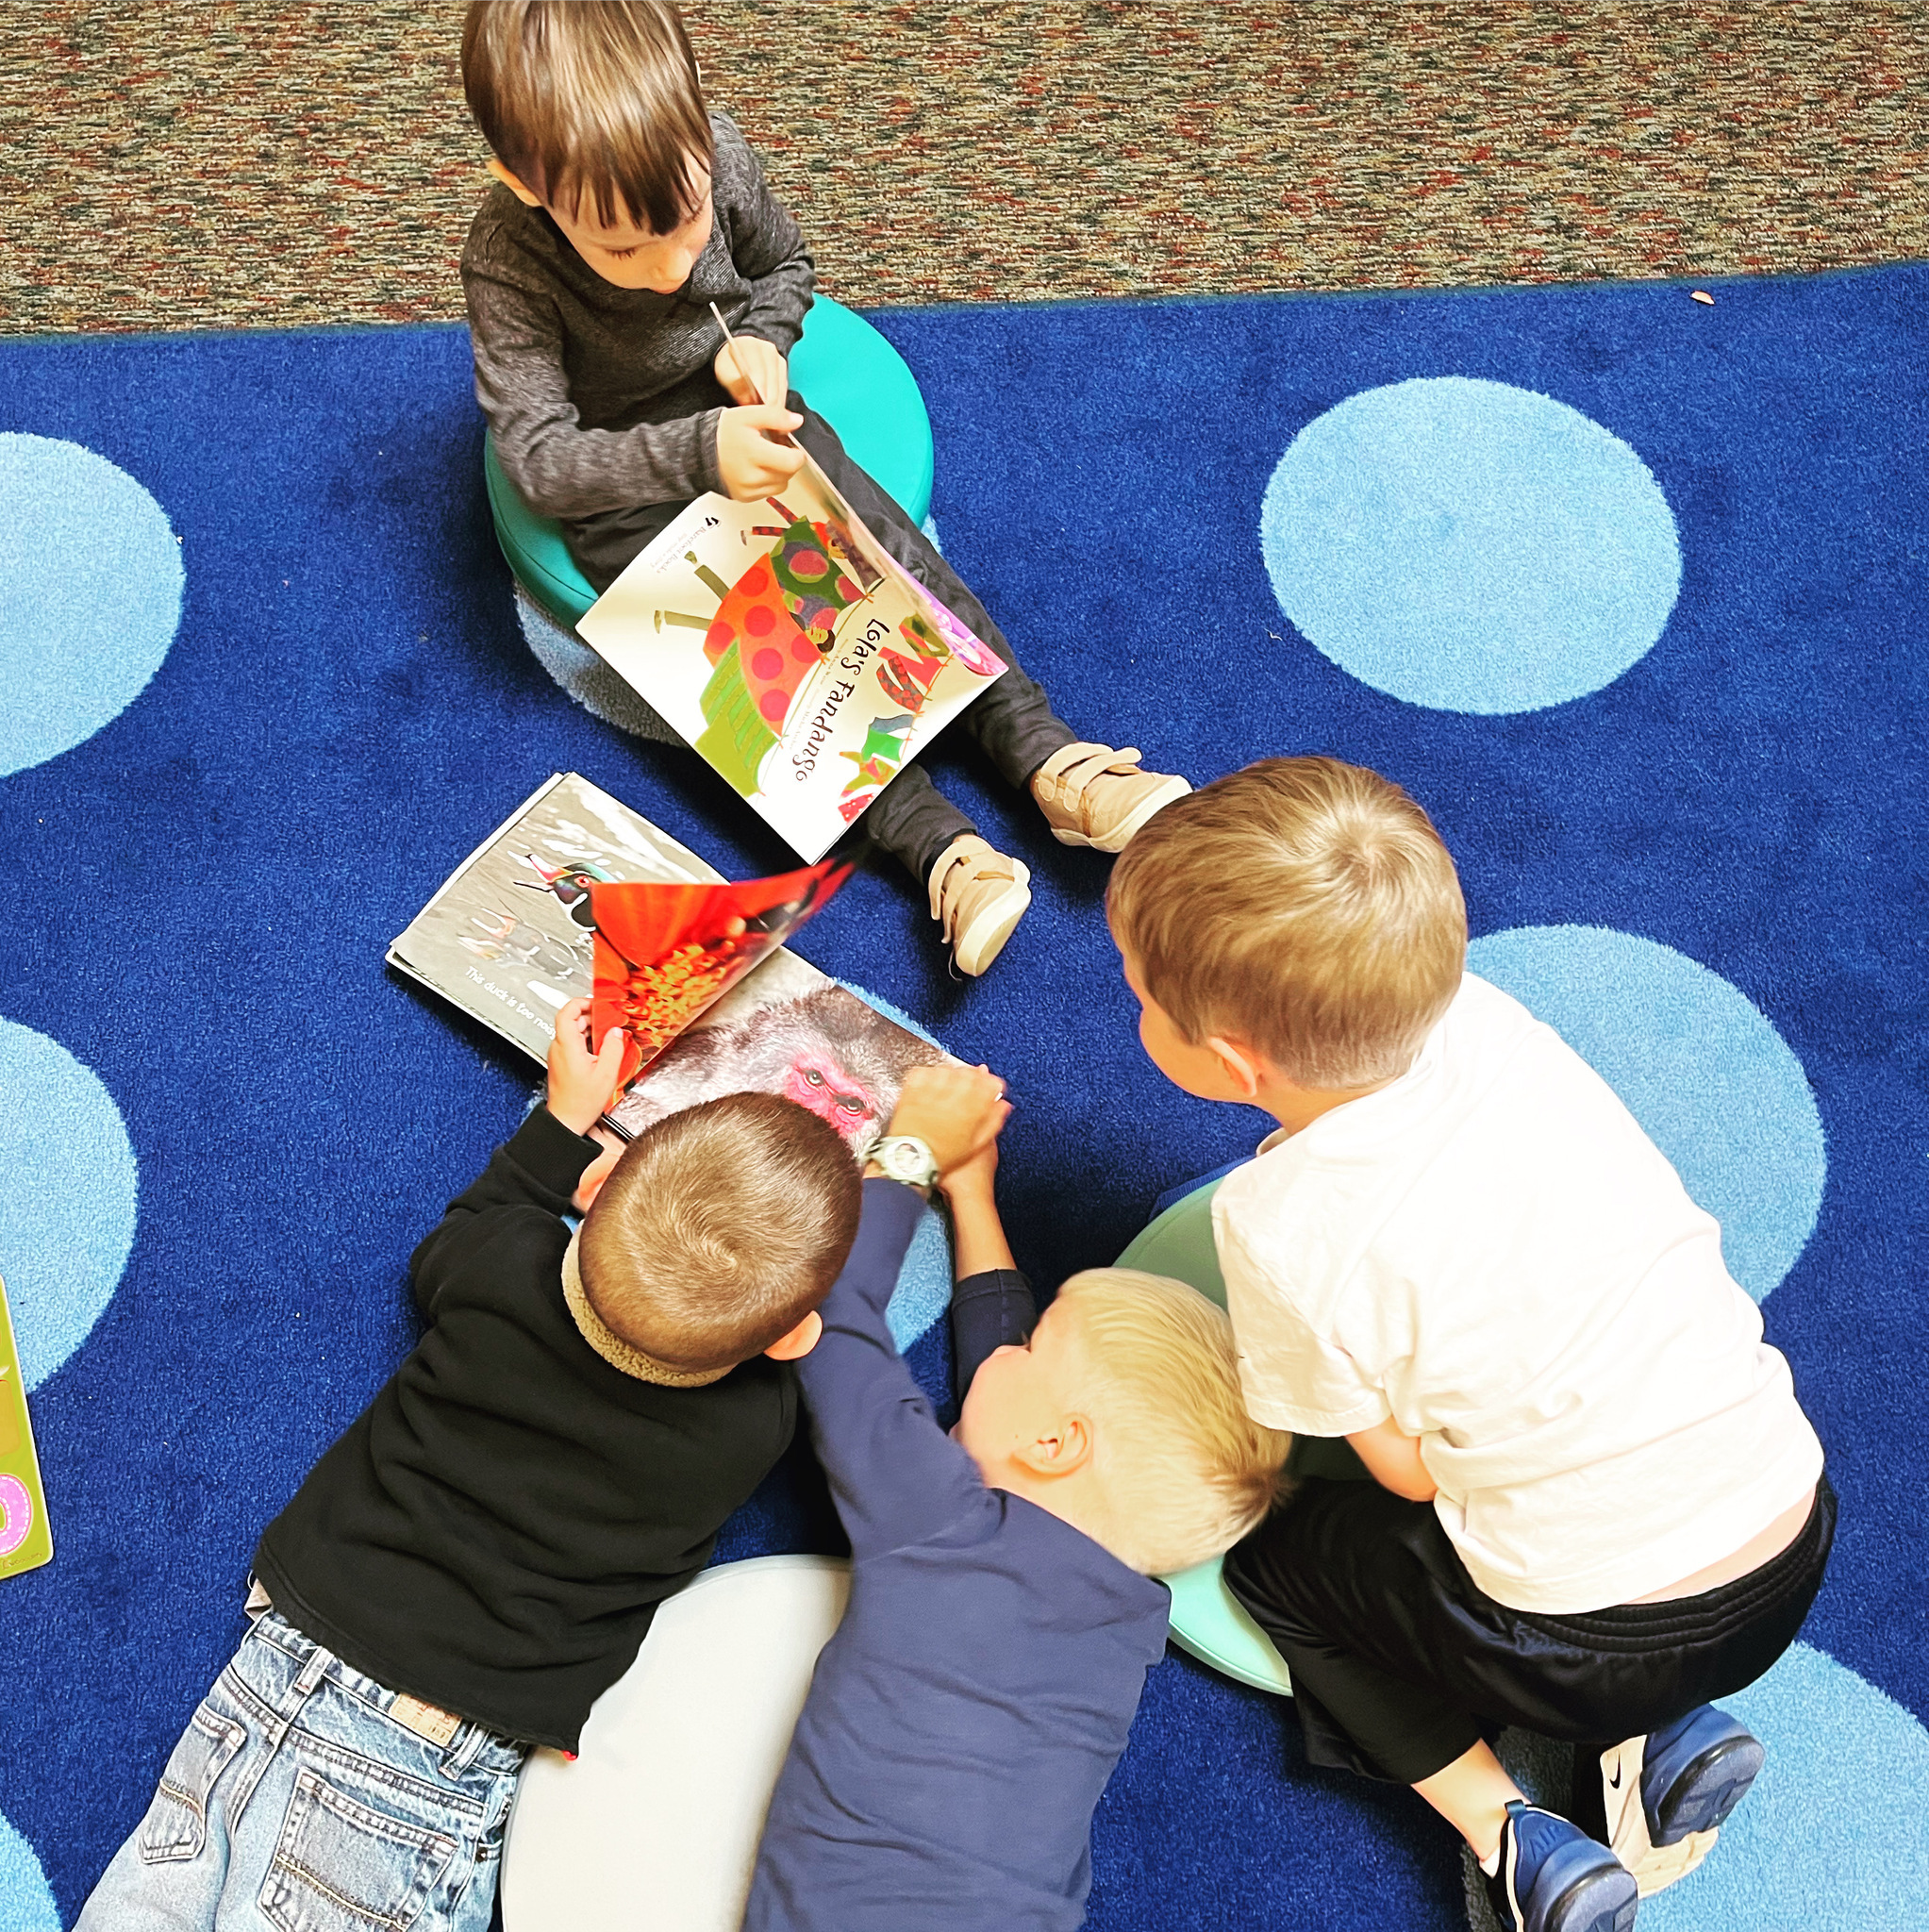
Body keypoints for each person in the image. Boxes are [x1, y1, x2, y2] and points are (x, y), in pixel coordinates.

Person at [1106, 757, 1832, 1932]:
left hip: (1586, 1638)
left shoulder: (1276, 1228)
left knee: (1284, 1562)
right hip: (1787, 1529)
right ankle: (1663, 1729)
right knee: (1588, 1470)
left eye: (1141, 997)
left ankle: (1512, 1837)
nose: (1134, 1012)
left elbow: (1404, 1474)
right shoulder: (1494, 1022)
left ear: (1234, 1063)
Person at [75, 998, 860, 1932]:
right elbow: (827, 1370)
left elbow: (475, 1219)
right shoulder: (749, 1425)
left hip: (288, 1647)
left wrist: (561, 1122)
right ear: (790, 1337)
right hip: (431, 1741)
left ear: (600, 1191)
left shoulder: (500, 1262)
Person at [457, 0, 1189, 975]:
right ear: (524, 184)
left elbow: (785, 267)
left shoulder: (714, 151)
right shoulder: (505, 260)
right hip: (625, 486)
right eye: (623, 249)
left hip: (751, 413)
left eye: (685, 221)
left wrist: (765, 338)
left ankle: (1043, 753)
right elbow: (541, 461)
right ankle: (939, 849)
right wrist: (700, 452)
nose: (673, 269)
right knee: (756, 675)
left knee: (888, 559)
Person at [743, 1060, 1290, 1931]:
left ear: (1055, 1445)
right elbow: (1006, 1408)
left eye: (1033, 1347)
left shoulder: (939, 1524)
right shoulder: (1127, 1621)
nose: (1011, 1346)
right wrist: (973, 1198)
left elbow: (831, 1319)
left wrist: (914, 1151)